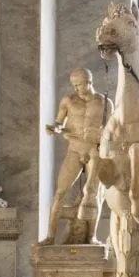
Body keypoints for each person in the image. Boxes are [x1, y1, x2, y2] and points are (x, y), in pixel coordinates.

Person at [43, 68, 112, 244]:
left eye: (79, 84)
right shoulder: (68, 100)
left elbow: (112, 132)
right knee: (60, 192)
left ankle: (92, 237)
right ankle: (50, 236)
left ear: (89, 81)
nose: (76, 89)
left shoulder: (104, 102)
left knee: (93, 193)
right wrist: (55, 128)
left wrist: (98, 134)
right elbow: (59, 123)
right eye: (74, 85)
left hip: (94, 151)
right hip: (74, 149)